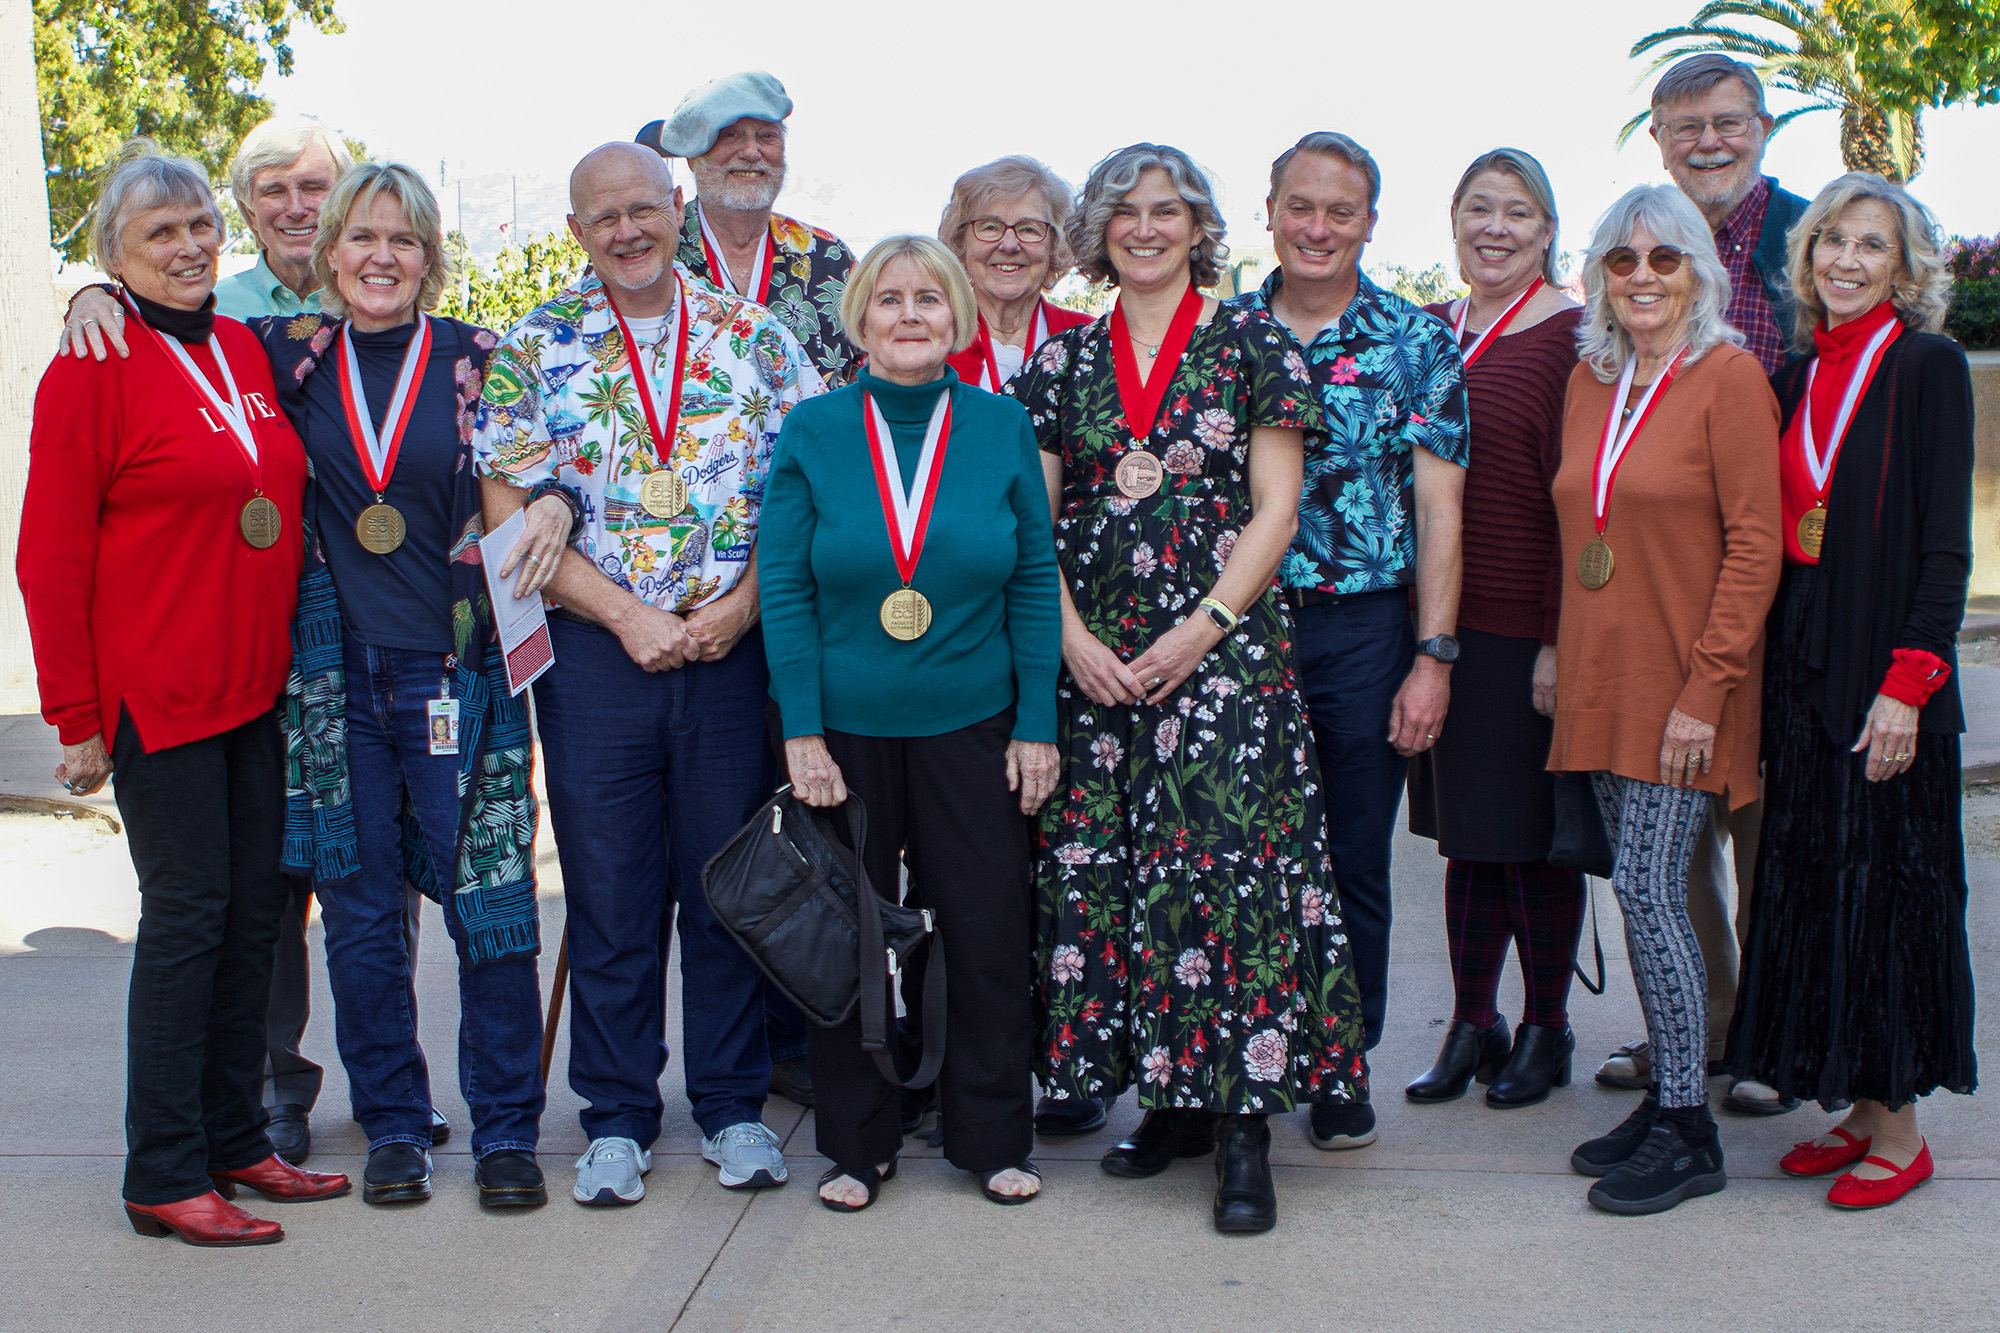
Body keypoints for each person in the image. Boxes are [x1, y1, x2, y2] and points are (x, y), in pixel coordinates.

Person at [1011, 142, 1365, 1235]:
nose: (1147, 227)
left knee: (1224, 884)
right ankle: (1165, 1102)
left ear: (1199, 223)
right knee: (1112, 882)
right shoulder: (1065, 363)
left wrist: (1198, 629)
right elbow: (1038, 523)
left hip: (1219, 661)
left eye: (1167, 210)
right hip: (1098, 666)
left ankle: (1243, 1131)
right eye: (1126, 211)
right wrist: (1069, 640)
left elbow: (1274, 510)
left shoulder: (1251, 339)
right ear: (1099, 230)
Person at [475, 142, 824, 1208]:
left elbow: (806, 493)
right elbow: (504, 505)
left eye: (642, 208)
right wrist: (624, 616)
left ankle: (728, 1107)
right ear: (575, 231)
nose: (626, 231)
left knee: (724, 891)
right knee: (612, 891)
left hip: (726, 649)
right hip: (598, 657)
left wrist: (735, 610)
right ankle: (617, 1116)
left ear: (675, 208)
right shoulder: (533, 346)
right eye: (602, 217)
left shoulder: (753, 339)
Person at [17, 143, 347, 1246]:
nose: (191, 245)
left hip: (252, 686)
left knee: (257, 916)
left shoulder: (246, 349)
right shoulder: (91, 365)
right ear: (114, 253)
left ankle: (233, 1135)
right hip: (158, 695)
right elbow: (48, 557)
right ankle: (163, 1168)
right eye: (159, 233)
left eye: (201, 223)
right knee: (189, 921)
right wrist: (74, 718)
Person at [761, 234, 1062, 1211]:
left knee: (984, 927)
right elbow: (785, 587)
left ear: (956, 318)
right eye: (887, 299)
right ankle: (857, 1142)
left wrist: (1036, 724)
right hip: (843, 732)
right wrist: (799, 729)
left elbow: (1028, 580)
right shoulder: (811, 430)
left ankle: (991, 1133)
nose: (906, 315)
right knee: (849, 939)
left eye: (927, 299)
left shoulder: (997, 425)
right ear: (858, 317)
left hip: (971, 722)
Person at [1726, 174, 1978, 1209]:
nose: (1844, 259)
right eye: (1831, 239)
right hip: (1801, 671)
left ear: (1902, 267)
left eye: (1870, 245)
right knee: (1819, 889)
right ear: (1806, 254)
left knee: (1889, 899)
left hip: (1884, 676)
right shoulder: (1788, 378)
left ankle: (1904, 1128)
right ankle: (1859, 1106)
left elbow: (1941, 545)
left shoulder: (1925, 366)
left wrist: (1908, 684)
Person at [1232, 132, 1469, 1152]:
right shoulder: (1224, 332)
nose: (1317, 227)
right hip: (1237, 633)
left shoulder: (1413, 340)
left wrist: (1431, 655)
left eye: (1340, 210)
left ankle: (1338, 1063)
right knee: (1238, 861)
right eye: (1300, 206)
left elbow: (1439, 511)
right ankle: (1235, 1057)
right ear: (1269, 211)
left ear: (1369, 220)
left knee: (1346, 861)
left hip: (1363, 632)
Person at [1553, 185, 1782, 1215]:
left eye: (1662, 258)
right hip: (1605, 680)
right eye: (1620, 259)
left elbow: (1755, 545)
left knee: (1647, 891)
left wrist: (1708, 687)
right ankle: (1672, 1099)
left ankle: (1689, 1124)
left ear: (1698, 269)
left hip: (1688, 687)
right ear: (1598, 275)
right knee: (1643, 897)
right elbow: (1581, 530)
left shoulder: (1726, 378)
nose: (1640, 276)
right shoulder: (1590, 380)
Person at [1610, 52, 1813, 1114]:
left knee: (1765, 832)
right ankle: (1707, 1025)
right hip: (1667, 597)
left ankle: (1775, 1038)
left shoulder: (1808, 238)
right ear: (1655, 137)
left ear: (1762, 127)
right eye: (1684, 125)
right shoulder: (1641, 251)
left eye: (1725, 121)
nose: (1706, 142)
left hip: (1792, 582)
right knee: (1674, 846)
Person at [1404, 148, 1587, 1109]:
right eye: (1481, 209)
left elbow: (1581, 499)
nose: (1498, 228)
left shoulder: (1577, 337)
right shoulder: (1424, 329)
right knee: (1465, 836)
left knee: (1529, 837)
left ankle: (1547, 1026)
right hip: (1437, 623)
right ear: (1454, 220)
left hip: (1526, 622)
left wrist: (1560, 635)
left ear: (1548, 230)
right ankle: (1474, 1020)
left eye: (1519, 212)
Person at [643, 70, 859, 392]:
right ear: (692, 156)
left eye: (767, 136)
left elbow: (866, 371)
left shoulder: (829, 257)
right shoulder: (648, 251)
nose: (751, 151)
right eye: (729, 135)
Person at [938, 156, 1091, 393]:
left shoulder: (1090, 341)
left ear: (1055, 244)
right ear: (961, 242)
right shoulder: (930, 338)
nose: (1009, 245)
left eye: (1029, 228)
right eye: (990, 227)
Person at [214, 116, 353, 319]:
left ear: (345, 199)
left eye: (312, 188)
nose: (295, 209)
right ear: (250, 211)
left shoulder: (378, 306)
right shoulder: (212, 313)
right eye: (274, 191)